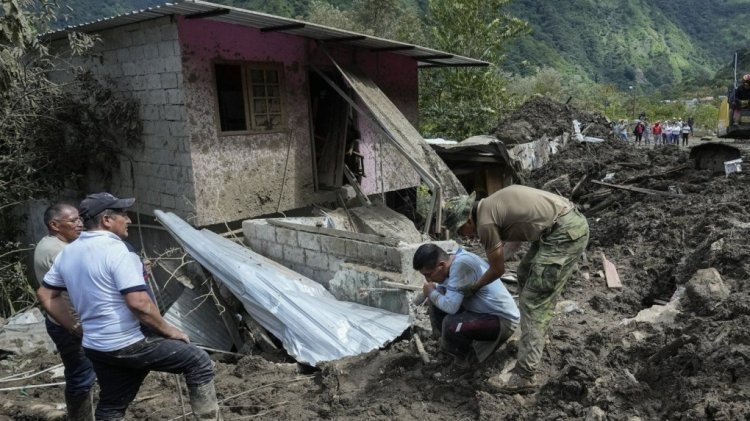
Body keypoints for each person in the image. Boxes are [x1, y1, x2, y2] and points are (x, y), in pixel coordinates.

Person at [40, 193, 222, 420]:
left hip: (97, 346)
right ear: (106, 220)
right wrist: (169, 330)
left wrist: (74, 327)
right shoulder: (118, 251)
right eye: (123, 214)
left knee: (112, 405)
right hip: (127, 343)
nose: (129, 220)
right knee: (199, 362)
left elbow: (46, 294)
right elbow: (139, 303)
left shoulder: (68, 253)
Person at [443, 185, 589, 393]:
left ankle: (525, 375)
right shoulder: (492, 205)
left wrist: (474, 286)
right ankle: (534, 335)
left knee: (534, 301)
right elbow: (516, 237)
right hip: (559, 225)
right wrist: (489, 262)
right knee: (524, 273)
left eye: (460, 230)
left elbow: (498, 270)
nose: (464, 236)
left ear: (468, 219)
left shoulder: (485, 223)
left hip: (564, 233)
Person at [34, 203, 95, 421]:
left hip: (65, 321)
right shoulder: (58, 251)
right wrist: (75, 327)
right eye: (73, 221)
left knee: (83, 374)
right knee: (82, 376)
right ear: (55, 225)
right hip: (69, 324)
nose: (80, 224)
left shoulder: (51, 244)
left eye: (80, 219)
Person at [412, 243, 520, 367]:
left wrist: (430, 292)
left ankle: (463, 362)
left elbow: (451, 308)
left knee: (450, 323)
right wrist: (431, 293)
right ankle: (444, 344)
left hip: (503, 320)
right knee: (436, 299)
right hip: (482, 313)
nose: (428, 280)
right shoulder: (452, 262)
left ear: (441, 265)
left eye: (428, 274)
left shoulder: (461, 265)